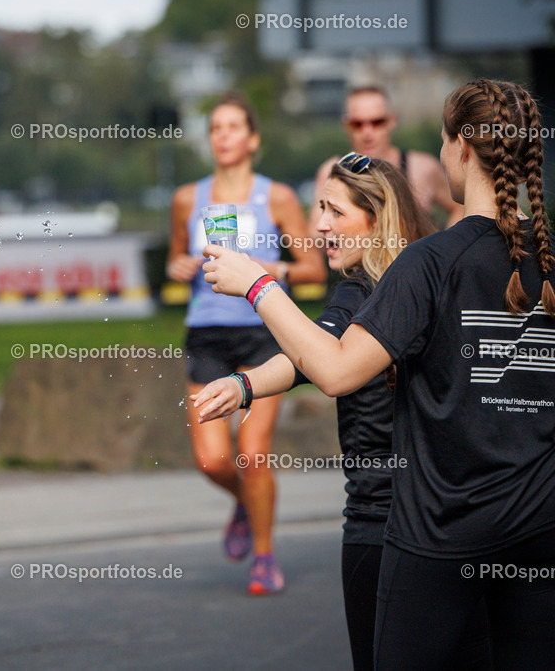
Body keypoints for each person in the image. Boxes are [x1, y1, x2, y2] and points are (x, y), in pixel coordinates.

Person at [202, 79, 555, 668]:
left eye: (444, 142)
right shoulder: (545, 266)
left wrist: (257, 285)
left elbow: (336, 369)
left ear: (462, 150)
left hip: (441, 535)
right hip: (540, 530)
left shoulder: (431, 262)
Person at [191, 154, 487, 670]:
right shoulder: (435, 275)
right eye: (318, 209)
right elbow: (311, 355)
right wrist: (245, 384)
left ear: (377, 217)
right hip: (456, 518)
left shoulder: (367, 288)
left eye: (334, 211)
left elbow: (322, 360)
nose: (320, 224)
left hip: (382, 521)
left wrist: (248, 362)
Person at [166, 92, 327, 594]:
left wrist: (269, 269)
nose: (223, 136)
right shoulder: (188, 199)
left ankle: (264, 555)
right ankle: (245, 501)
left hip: (263, 333)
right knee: (213, 460)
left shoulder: (275, 196)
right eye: (215, 127)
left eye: (234, 126)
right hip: (207, 335)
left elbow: (313, 270)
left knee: (253, 454)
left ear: (253, 138)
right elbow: (173, 264)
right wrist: (179, 268)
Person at [313, 86, 463, 228]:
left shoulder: (422, 168)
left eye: (376, 122)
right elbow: (313, 236)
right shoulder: (331, 171)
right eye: (357, 124)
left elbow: (461, 206)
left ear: (391, 121)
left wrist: (444, 250)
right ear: (346, 125)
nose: (367, 133)